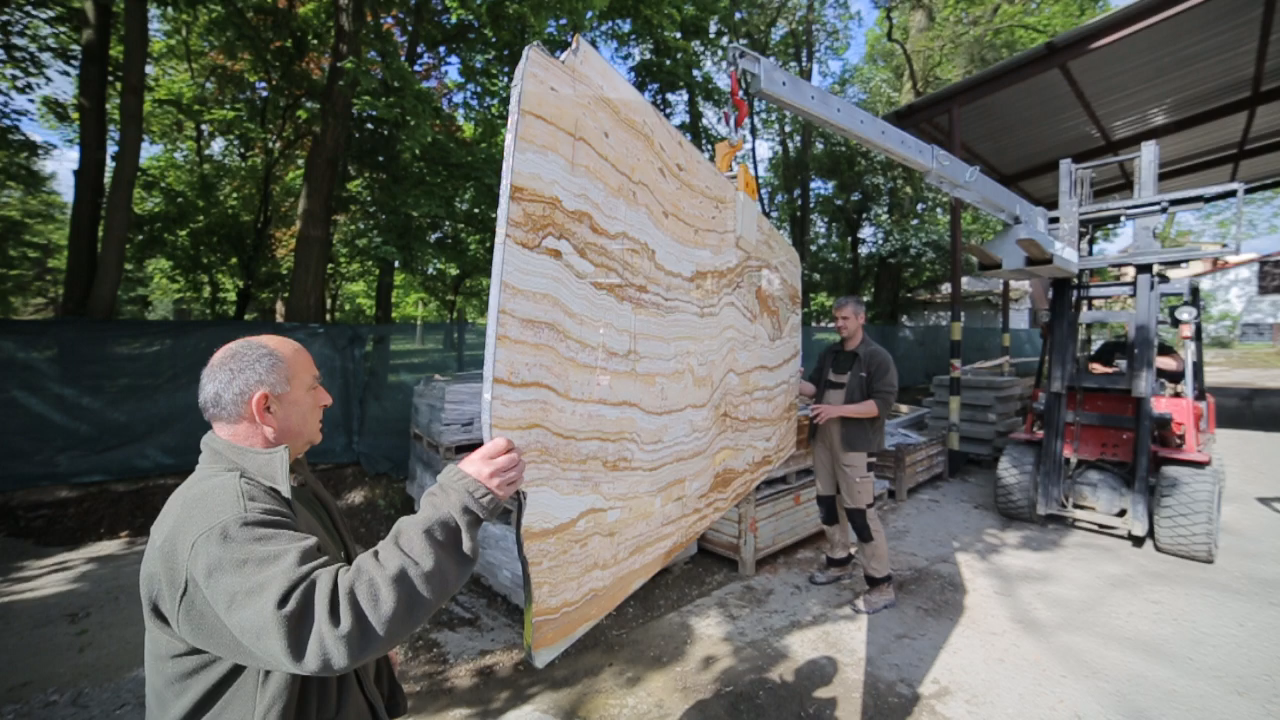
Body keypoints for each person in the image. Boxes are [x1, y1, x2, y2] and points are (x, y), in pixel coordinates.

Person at [139, 335, 525, 719]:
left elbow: (312, 607)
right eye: (313, 386)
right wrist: (461, 499)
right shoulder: (226, 519)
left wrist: (366, 669)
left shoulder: (282, 482)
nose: (326, 398)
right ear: (266, 408)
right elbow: (331, 625)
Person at [798, 296, 899, 614]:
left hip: (855, 445)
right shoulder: (830, 353)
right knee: (828, 505)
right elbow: (815, 390)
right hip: (824, 441)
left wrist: (837, 410)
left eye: (845, 318)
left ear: (861, 319)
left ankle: (881, 585)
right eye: (836, 318)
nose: (839, 324)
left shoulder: (876, 357)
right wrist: (792, 381)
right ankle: (839, 562)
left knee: (860, 513)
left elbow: (881, 405)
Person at [1088, 335, 1185, 384]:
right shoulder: (1113, 346)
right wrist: (1111, 370)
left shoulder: (1159, 347)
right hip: (1112, 390)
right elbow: (1091, 366)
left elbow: (1177, 365)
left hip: (1149, 394)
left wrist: (1142, 358)